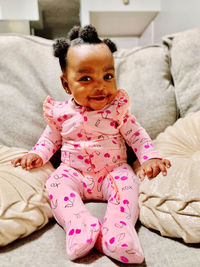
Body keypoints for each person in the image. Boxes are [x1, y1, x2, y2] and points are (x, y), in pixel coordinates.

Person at [12, 25, 171, 264]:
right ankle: (79, 223)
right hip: (72, 172)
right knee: (55, 182)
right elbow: (49, 139)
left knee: (128, 184)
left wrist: (150, 158)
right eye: (86, 78)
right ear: (67, 85)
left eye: (108, 76)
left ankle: (118, 232)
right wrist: (37, 155)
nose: (100, 86)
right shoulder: (60, 113)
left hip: (112, 171)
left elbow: (137, 136)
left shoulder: (118, 109)